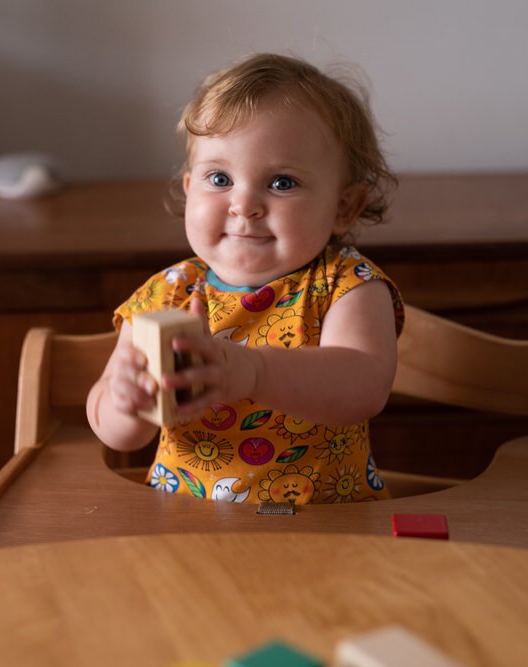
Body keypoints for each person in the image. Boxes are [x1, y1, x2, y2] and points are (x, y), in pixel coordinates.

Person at [86, 53, 404, 504]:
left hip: (325, 527)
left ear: (344, 207)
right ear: (188, 186)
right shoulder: (168, 294)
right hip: (184, 527)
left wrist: (252, 371)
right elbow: (116, 434)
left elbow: (364, 386)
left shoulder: (347, 285)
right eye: (220, 178)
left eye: (282, 183)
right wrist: (124, 403)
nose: (243, 205)